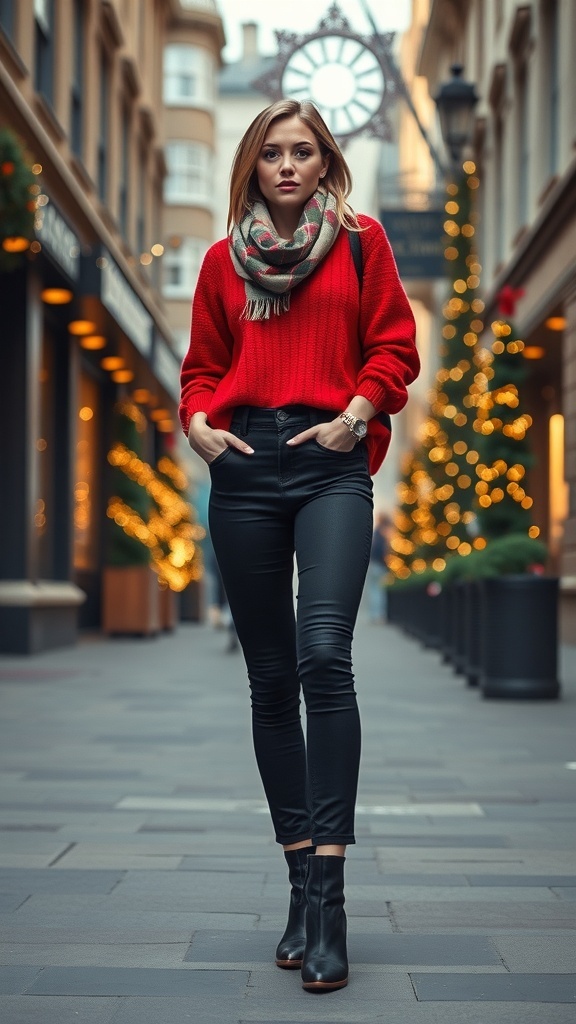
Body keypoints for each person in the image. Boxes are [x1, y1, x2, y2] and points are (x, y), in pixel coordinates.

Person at [179, 99, 419, 992]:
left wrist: (356, 413)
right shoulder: (220, 262)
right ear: (253, 164)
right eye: (273, 152)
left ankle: (330, 899)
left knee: (325, 655)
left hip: (330, 463)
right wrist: (199, 426)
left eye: (304, 152)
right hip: (244, 467)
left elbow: (394, 348)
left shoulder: (361, 245)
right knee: (272, 679)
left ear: (326, 164)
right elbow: (201, 371)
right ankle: (298, 879)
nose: (287, 165)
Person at [367, 511, 391, 623]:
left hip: (375, 565)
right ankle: (379, 614)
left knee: (375, 590)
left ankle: (376, 614)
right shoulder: (384, 533)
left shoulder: (378, 532)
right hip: (380, 566)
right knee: (379, 590)